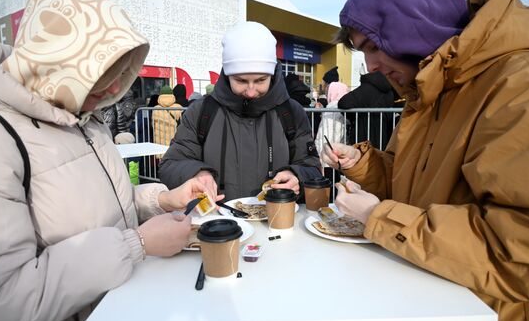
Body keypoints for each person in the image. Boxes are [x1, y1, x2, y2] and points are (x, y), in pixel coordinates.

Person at [0, 0, 221, 321]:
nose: (114, 87)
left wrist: (165, 198)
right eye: (102, 70)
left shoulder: (85, 116)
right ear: (58, 60)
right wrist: (136, 244)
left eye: (121, 70)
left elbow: (108, 207)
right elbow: (4, 305)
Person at [321, 0, 529, 321]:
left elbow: (517, 253)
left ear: (413, 22)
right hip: (423, 295)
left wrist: (379, 217)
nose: (371, 65)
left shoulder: (518, 86)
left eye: (374, 45)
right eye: (363, 52)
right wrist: (361, 163)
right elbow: (410, 187)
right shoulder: (424, 88)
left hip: (481, 312)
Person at [159, 21, 322, 201]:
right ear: (227, 75)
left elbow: (312, 167)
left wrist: (297, 177)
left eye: (260, 80)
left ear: (273, 74)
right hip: (220, 223)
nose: (251, 91)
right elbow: (170, 166)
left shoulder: (291, 112)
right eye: (241, 81)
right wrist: (196, 173)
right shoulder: (201, 111)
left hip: (277, 223)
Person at [338, 71, 399, 149]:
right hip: (383, 134)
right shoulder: (389, 91)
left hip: (362, 133)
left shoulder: (365, 88)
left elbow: (343, 103)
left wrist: (354, 116)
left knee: (362, 157)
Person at [314, 81, 349, 164]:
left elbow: (324, 134)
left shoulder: (331, 108)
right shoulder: (346, 108)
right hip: (341, 152)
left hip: (328, 154)